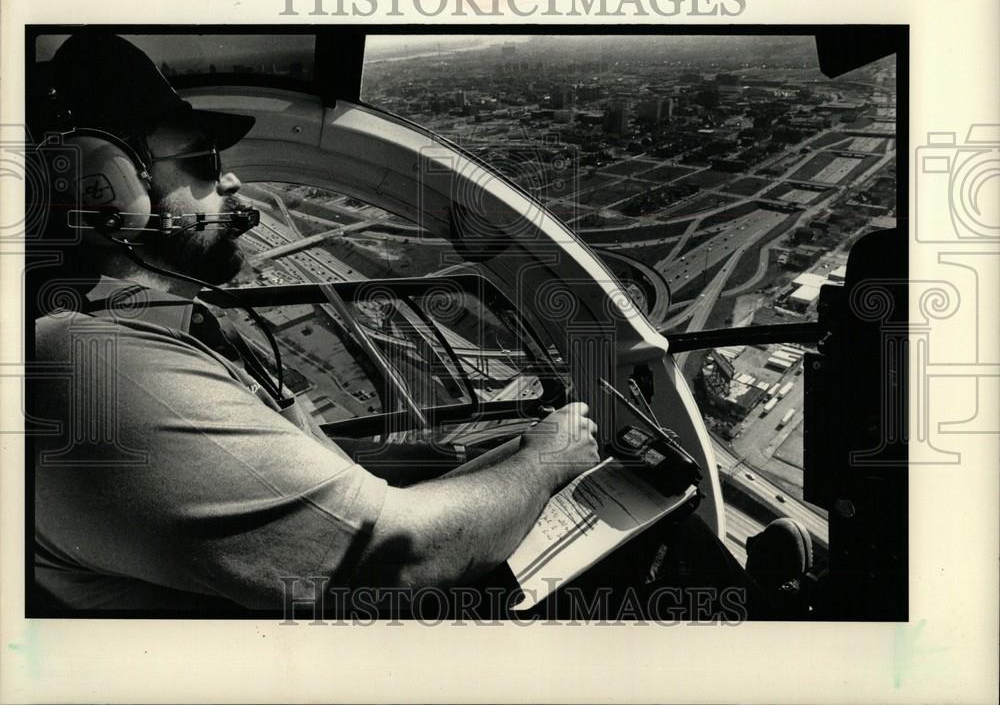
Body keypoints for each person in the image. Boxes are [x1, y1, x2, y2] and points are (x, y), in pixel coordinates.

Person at [30, 33, 808, 620]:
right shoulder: (93, 366)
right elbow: (393, 559)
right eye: (199, 161)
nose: (231, 179)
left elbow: (331, 486)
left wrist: (504, 458)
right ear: (107, 189)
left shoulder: (141, 331)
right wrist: (542, 460)